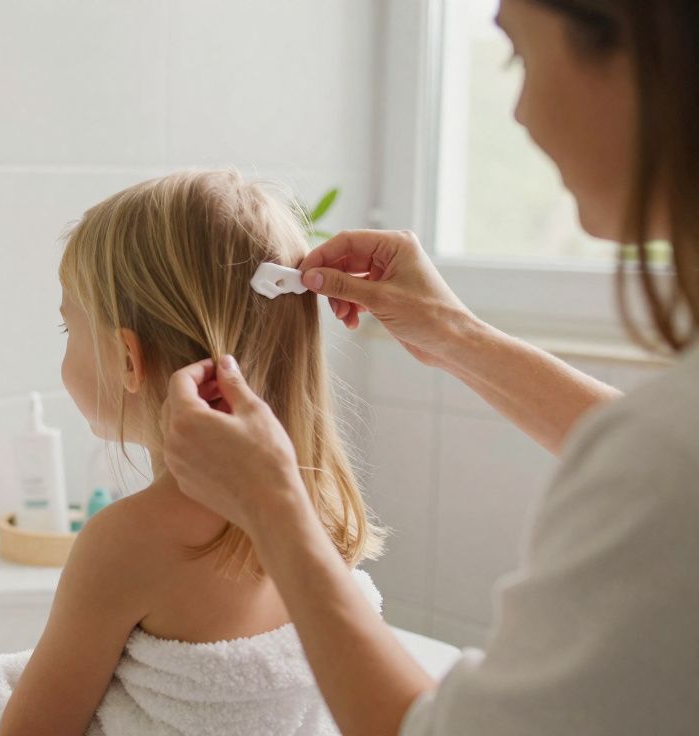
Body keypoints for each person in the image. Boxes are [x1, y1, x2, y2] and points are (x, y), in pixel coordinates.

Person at [161, 1, 699, 734]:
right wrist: (455, 335)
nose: (518, 113)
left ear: (643, 55)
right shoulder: (666, 447)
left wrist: (273, 508)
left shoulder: (667, 458)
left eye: (517, 55)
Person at [0, 170, 384, 736]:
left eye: (65, 326)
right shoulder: (320, 508)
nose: (64, 342)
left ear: (127, 358)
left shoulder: (127, 542)